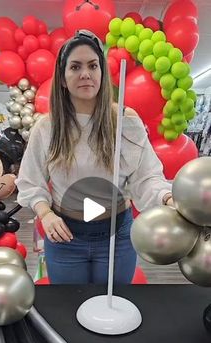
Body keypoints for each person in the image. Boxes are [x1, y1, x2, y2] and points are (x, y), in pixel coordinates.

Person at [16, 29, 173, 285]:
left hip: (117, 236)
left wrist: (166, 197)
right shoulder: (47, 127)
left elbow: (146, 177)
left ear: (102, 73)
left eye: (93, 66)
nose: (85, 74)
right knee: (69, 309)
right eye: (75, 67)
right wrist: (46, 214)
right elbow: (30, 182)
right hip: (65, 236)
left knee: (113, 306)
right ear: (64, 79)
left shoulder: (126, 122)